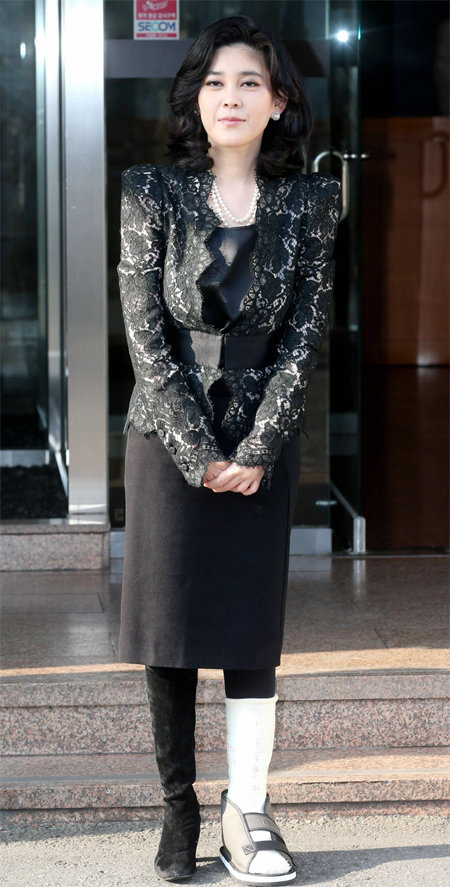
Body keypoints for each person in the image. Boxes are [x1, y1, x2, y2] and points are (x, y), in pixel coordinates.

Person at [117, 14, 341, 886]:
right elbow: (146, 337)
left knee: (251, 631)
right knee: (169, 627)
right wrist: (198, 452)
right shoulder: (150, 192)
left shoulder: (311, 203)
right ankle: (179, 809)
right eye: (215, 82)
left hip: (261, 445)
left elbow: (304, 337)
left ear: (279, 101)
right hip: (167, 439)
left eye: (250, 81)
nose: (231, 97)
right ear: (195, 99)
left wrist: (257, 445)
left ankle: (247, 814)